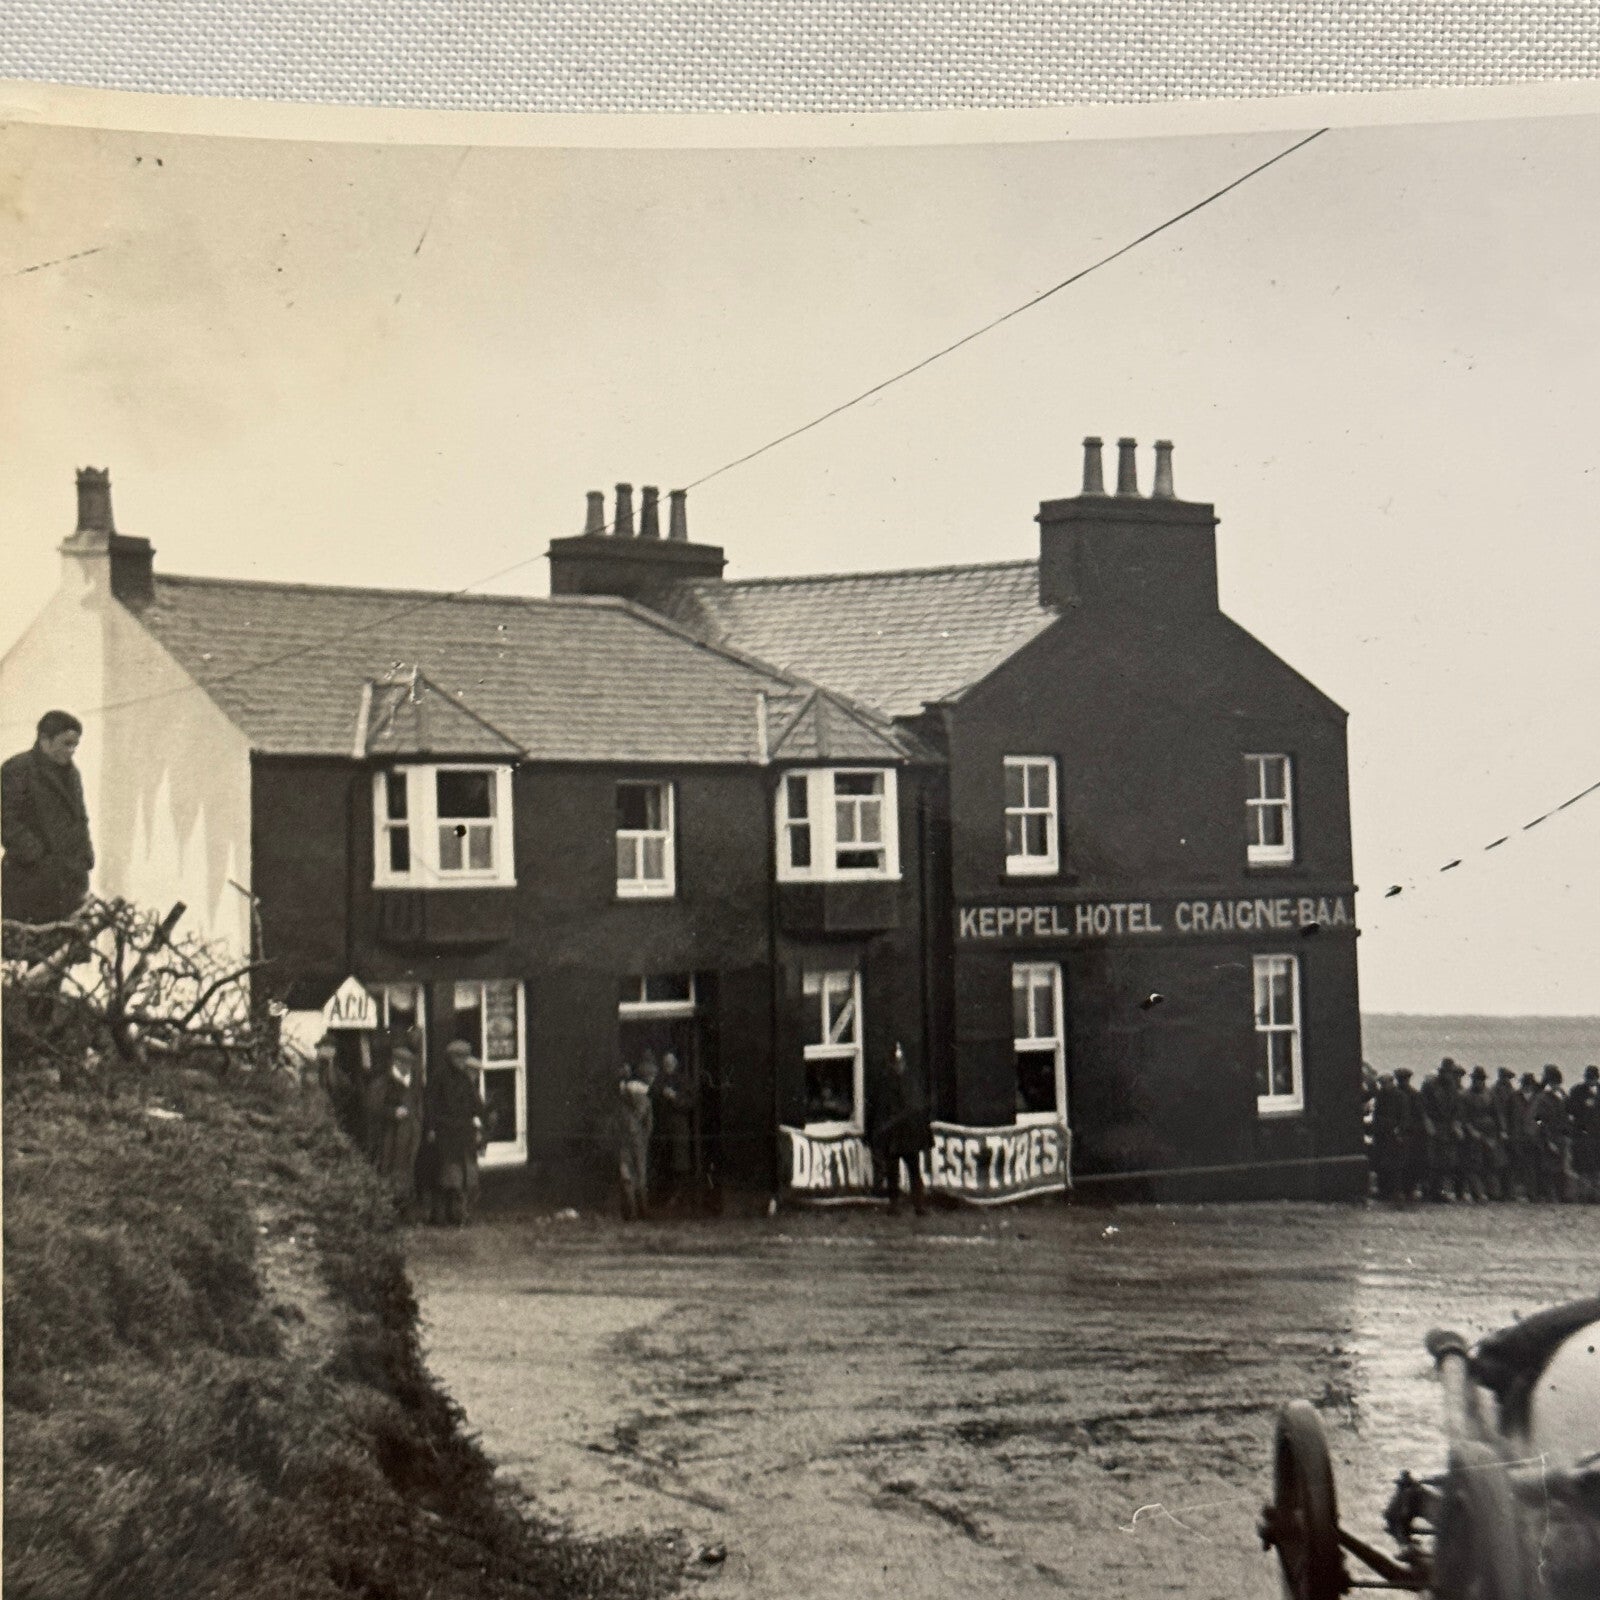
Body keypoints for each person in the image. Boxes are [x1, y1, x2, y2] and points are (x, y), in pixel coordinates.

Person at [1, 710, 95, 951]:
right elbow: (5, 819)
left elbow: (80, 818)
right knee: (27, 953)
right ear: (45, 739)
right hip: (30, 880)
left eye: (75, 744)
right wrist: (35, 855)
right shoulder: (18, 769)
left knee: (60, 956)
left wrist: (86, 855)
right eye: (66, 743)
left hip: (68, 880)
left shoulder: (71, 774)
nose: (72, 750)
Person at [428, 1039, 487, 1226]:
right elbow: (431, 1105)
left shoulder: (465, 1079)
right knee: (446, 1176)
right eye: (459, 1057)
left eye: (464, 1057)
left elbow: (475, 1105)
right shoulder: (439, 1077)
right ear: (451, 1057)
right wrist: (430, 1129)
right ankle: (439, 1216)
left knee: (462, 1178)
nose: (462, 1061)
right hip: (445, 1132)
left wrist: (483, 1117)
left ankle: (457, 1215)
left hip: (463, 1134)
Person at [871, 1041, 933, 1216]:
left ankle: (919, 1205)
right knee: (893, 1172)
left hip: (909, 1135)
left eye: (900, 1062)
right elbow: (882, 1109)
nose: (898, 1066)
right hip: (894, 1136)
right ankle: (894, 1204)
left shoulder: (911, 1082)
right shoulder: (885, 1084)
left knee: (914, 1170)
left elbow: (916, 1107)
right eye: (895, 1063)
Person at [370, 1043, 426, 1216]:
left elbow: (418, 1105)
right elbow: (373, 1108)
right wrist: (393, 1112)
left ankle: (406, 1209)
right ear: (396, 1063)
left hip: (410, 1134)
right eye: (404, 1064)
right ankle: (390, 1210)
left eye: (410, 1064)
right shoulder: (383, 1083)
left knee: (408, 1168)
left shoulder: (413, 1083)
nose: (408, 1068)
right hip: (390, 1135)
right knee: (389, 1169)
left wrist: (418, 1122)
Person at [655, 1050, 697, 1211]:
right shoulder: (659, 1080)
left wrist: (675, 1098)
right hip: (662, 1127)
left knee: (680, 1163)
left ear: (676, 1063)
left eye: (671, 1062)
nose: (668, 1065)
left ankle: (681, 1198)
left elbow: (690, 1102)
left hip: (679, 1126)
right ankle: (665, 1199)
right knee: (664, 1162)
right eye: (665, 1062)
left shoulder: (683, 1080)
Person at [618, 1055, 659, 1221]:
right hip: (639, 1140)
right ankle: (643, 1210)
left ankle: (629, 1212)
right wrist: (644, 1138)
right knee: (641, 1175)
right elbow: (649, 1125)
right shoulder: (646, 1100)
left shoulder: (623, 1096)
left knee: (626, 1173)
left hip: (624, 1139)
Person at [1418, 1058, 1465, 1201]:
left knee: (1445, 1161)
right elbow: (1423, 1107)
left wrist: (1456, 1124)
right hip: (1433, 1125)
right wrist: (1428, 1123)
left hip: (1447, 1126)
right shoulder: (1429, 1085)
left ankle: (1439, 1191)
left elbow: (1457, 1107)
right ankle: (1429, 1190)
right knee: (1431, 1160)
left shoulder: (1452, 1087)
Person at [1527, 1065, 1571, 1204]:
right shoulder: (1543, 1098)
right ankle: (1549, 1195)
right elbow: (1539, 1119)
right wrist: (1547, 1139)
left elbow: (1565, 1117)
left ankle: (1558, 1195)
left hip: (1558, 1136)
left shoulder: (1559, 1096)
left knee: (1557, 1167)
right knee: (1547, 1168)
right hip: (1546, 1136)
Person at [1460, 1066, 1498, 1202]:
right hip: (1473, 1133)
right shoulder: (1465, 1095)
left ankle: (1492, 1192)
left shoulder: (1489, 1094)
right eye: (1477, 1080)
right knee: (1473, 1164)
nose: (1479, 1082)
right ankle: (1478, 1193)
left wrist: (1496, 1135)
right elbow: (1463, 1117)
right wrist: (1471, 1131)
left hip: (1489, 1132)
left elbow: (1496, 1114)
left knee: (1490, 1163)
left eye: (1481, 1080)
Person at [1569, 1065, 1600, 1203]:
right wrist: (1584, 1105)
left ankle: (1596, 1196)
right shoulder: (1576, 1091)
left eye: (1592, 1078)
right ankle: (1583, 1195)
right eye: (1588, 1078)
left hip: (1597, 1136)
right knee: (1582, 1167)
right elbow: (1569, 1109)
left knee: (1596, 1167)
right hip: (1581, 1135)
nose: (1590, 1081)